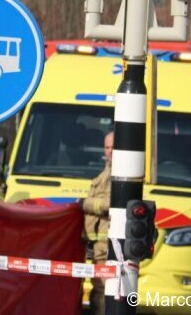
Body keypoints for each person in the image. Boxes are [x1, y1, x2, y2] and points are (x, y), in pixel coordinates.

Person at [79, 131, 114, 314]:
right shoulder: (106, 172)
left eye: (113, 147)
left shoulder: (118, 174)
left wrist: (84, 203)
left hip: (106, 242)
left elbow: (110, 204)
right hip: (98, 243)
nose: (110, 151)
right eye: (107, 147)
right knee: (98, 287)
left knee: (103, 288)